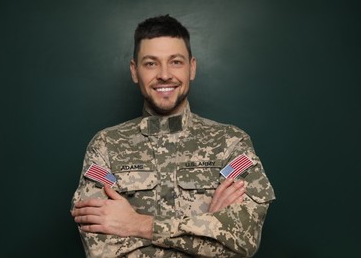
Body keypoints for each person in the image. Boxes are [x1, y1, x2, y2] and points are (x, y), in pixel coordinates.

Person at [71, 15, 275, 257]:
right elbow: (103, 250)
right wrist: (208, 223)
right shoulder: (105, 147)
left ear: (192, 67)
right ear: (135, 71)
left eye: (176, 62)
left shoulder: (231, 144)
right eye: (151, 63)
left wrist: (138, 224)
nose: (165, 74)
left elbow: (243, 241)